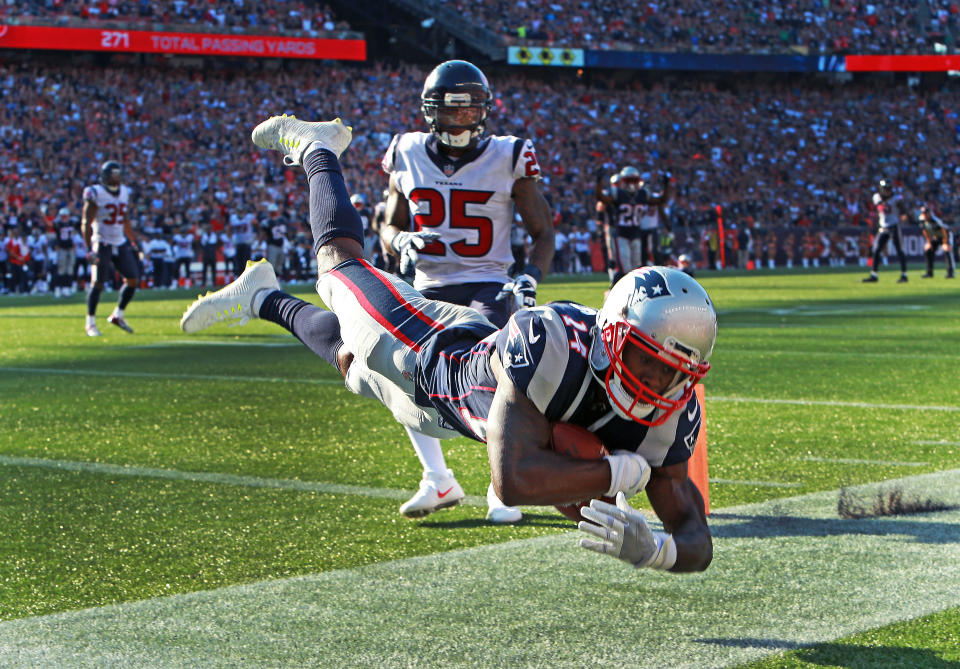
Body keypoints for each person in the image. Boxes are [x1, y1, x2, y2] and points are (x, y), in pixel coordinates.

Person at [180, 114, 718, 573]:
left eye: (673, 374)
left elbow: (695, 534)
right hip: (431, 350)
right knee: (338, 265)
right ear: (611, 335)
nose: (656, 385)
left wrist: (659, 553)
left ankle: (261, 298)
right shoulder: (552, 340)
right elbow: (512, 481)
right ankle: (319, 148)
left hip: (446, 413)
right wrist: (612, 472)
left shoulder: (671, 412)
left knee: (349, 361)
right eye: (646, 363)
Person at [376, 60, 555, 523]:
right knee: (402, 373)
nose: (461, 118)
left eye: (470, 108)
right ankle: (438, 479)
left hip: (488, 280)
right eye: (451, 110)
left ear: (484, 110)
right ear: (430, 111)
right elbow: (388, 222)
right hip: (428, 284)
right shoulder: (406, 150)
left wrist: (530, 275)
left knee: (492, 376)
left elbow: (543, 231)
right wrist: (398, 241)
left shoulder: (509, 154)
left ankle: (502, 484)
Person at [81, 160, 141, 336]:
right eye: (113, 174)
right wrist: (89, 248)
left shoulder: (124, 192)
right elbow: (86, 223)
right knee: (98, 283)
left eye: (118, 174)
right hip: (102, 241)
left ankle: (118, 315)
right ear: (106, 176)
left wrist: (133, 240)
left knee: (133, 280)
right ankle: (90, 323)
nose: (116, 178)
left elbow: (125, 219)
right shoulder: (95, 193)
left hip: (120, 240)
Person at [597, 166, 670, 285]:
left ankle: (632, 291)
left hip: (636, 234)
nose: (631, 184)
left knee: (636, 269)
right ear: (622, 181)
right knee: (625, 268)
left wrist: (666, 185)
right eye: (628, 181)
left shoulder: (642, 194)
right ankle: (614, 289)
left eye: (633, 181)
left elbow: (661, 200)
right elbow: (601, 198)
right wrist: (598, 183)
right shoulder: (617, 193)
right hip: (620, 234)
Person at [863, 179, 908, 283]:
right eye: (886, 189)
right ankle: (874, 275)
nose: (888, 191)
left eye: (889, 189)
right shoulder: (877, 197)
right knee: (876, 249)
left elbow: (902, 210)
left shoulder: (896, 198)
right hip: (883, 227)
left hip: (894, 226)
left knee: (899, 250)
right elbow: (879, 204)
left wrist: (903, 213)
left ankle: (904, 275)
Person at [918, 205, 955, 279]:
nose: (924, 215)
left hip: (946, 236)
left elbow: (944, 230)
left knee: (947, 250)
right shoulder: (921, 219)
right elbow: (924, 230)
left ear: (929, 213)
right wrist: (929, 242)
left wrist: (946, 242)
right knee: (928, 250)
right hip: (936, 236)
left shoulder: (935, 220)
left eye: (926, 213)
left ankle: (950, 273)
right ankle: (929, 273)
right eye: (923, 213)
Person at [53, 207, 78, 297]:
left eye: (65, 216)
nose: (64, 218)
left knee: (70, 269)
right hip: (62, 248)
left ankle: (68, 287)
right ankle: (59, 288)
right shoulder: (58, 224)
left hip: (70, 248)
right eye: (62, 216)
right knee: (61, 269)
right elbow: (54, 225)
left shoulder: (72, 222)